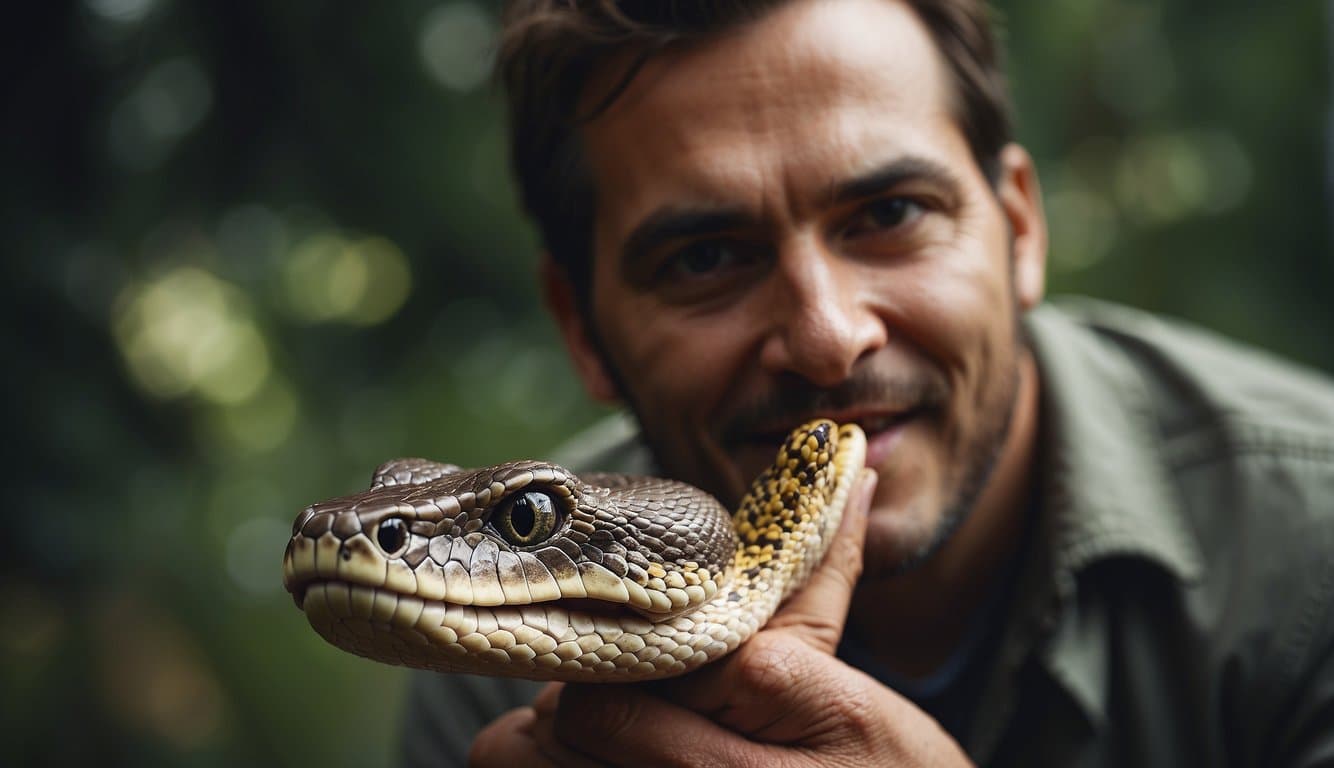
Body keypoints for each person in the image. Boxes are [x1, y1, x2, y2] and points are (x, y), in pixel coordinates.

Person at [399, 0, 1334, 765]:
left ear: (1021, 231)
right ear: (582, 327)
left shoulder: (1312, 549)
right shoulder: (488, 624)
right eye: (706, 258)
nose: (827, 340)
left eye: (889, 213)